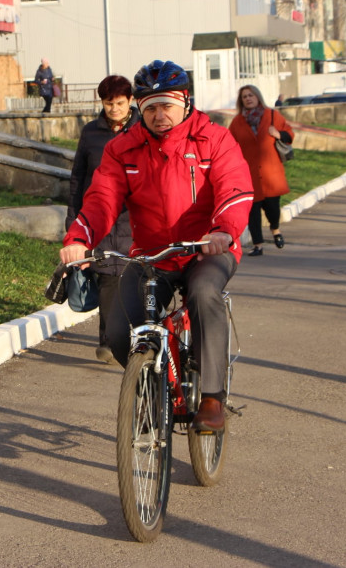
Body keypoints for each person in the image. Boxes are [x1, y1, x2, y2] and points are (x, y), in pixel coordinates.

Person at [60, 60, 254, 432]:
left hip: (207, 249)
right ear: (140, 109)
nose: (159, 114)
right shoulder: (123, 149)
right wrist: (79, 238)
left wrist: (224, 231)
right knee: (120, 332)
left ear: (185, 102)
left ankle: (212, 397)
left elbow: (235, 187)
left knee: (202, 293)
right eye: (150, 107)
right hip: (151, 255)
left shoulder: (214, 139)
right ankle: (152, 385)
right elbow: (101, 198)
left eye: (166, 104)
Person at [66, 76, 141, 363]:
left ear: (130, 101)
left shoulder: (142, 131)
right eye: (109, 103)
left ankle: (135, 336)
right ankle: (108, 342)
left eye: (120, 103)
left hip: (133, 217)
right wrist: (73, 219)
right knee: (108, 277)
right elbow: (78, 179)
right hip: (99, 217)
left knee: (132, 277)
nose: (114, 109)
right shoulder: (91, 133)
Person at [227, 85, 294, 257]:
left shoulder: (272, 115)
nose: (248, 98)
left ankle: (275, 229)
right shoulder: (237, 122)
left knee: (273, 209)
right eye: (244, 97)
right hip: (248, 175)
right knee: (252, 213)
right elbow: (229, 146)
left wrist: (278, 134)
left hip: (271, 173)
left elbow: (289, 135)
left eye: (251, 95)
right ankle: (257, 244)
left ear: (257, 97)